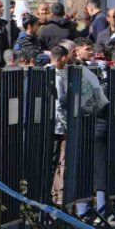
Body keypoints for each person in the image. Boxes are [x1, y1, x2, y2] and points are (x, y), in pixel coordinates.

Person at [48, 45, 69, 205]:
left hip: (47, 123)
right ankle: (55, 195)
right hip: (57, 125)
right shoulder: (57, 76)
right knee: (56, 161)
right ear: (62, 58)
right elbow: (60, 104)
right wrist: (66, 125)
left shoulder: (43, 71)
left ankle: (52, 194)